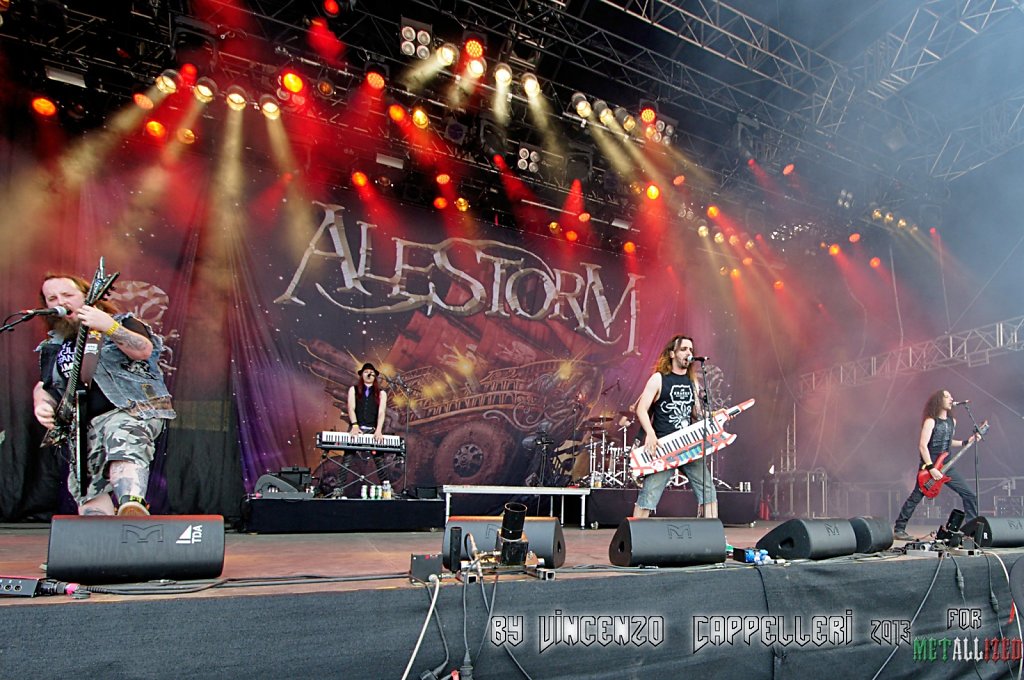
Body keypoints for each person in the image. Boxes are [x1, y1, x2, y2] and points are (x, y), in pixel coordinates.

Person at [32, 273, 175, 516]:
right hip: (84, 425)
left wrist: (109, 326)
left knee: (122, 439)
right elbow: (47, 386)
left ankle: (132, 504)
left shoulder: (123, 322)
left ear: (88, 297)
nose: (61, 301)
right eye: (52, 298)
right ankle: (102, 540)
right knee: (87, 489)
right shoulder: (53, 346)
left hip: (130, 409)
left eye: (68, 295)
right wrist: (41, 403)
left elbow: (143, 350)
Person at [632, 334, 718, 519]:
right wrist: (650, 434)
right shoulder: (658, 379)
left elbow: (696, 413)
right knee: (649, 495)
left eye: (691, 350)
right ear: (672, 353)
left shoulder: (692, 381)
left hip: (688, 445)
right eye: (684, 349)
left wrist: (713, 415)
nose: (689, 353)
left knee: (708, 491)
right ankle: (634, 537)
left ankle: (713, 538)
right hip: (664, 446)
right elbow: (641, 409)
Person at [893, 389, 979, 541]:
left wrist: (966, 442)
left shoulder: (952, 421)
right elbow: (922, 446)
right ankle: (899, 528)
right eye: (947, 396)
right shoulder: (930, 421)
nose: (951, 398)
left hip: (947, 467)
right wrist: (931, 468)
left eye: (951, 396)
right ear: (939, 401)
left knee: (969, 494)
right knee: (916, 497)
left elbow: (949, 442)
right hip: (929, 467)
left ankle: (971, 531)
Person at [342, 362, 390, 491]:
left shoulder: (381, 393)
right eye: (366, 372)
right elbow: (351, 408)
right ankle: (338, 489)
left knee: (379, 462)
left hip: (373, 430)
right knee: (347, 460)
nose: (369, 374)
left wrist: (379, 430)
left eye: (371, 372)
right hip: (356, 428)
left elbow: (381, 413)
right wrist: (355, 426)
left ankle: (388, 491)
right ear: (362, 375)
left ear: (375, 376)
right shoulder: (353, 389)